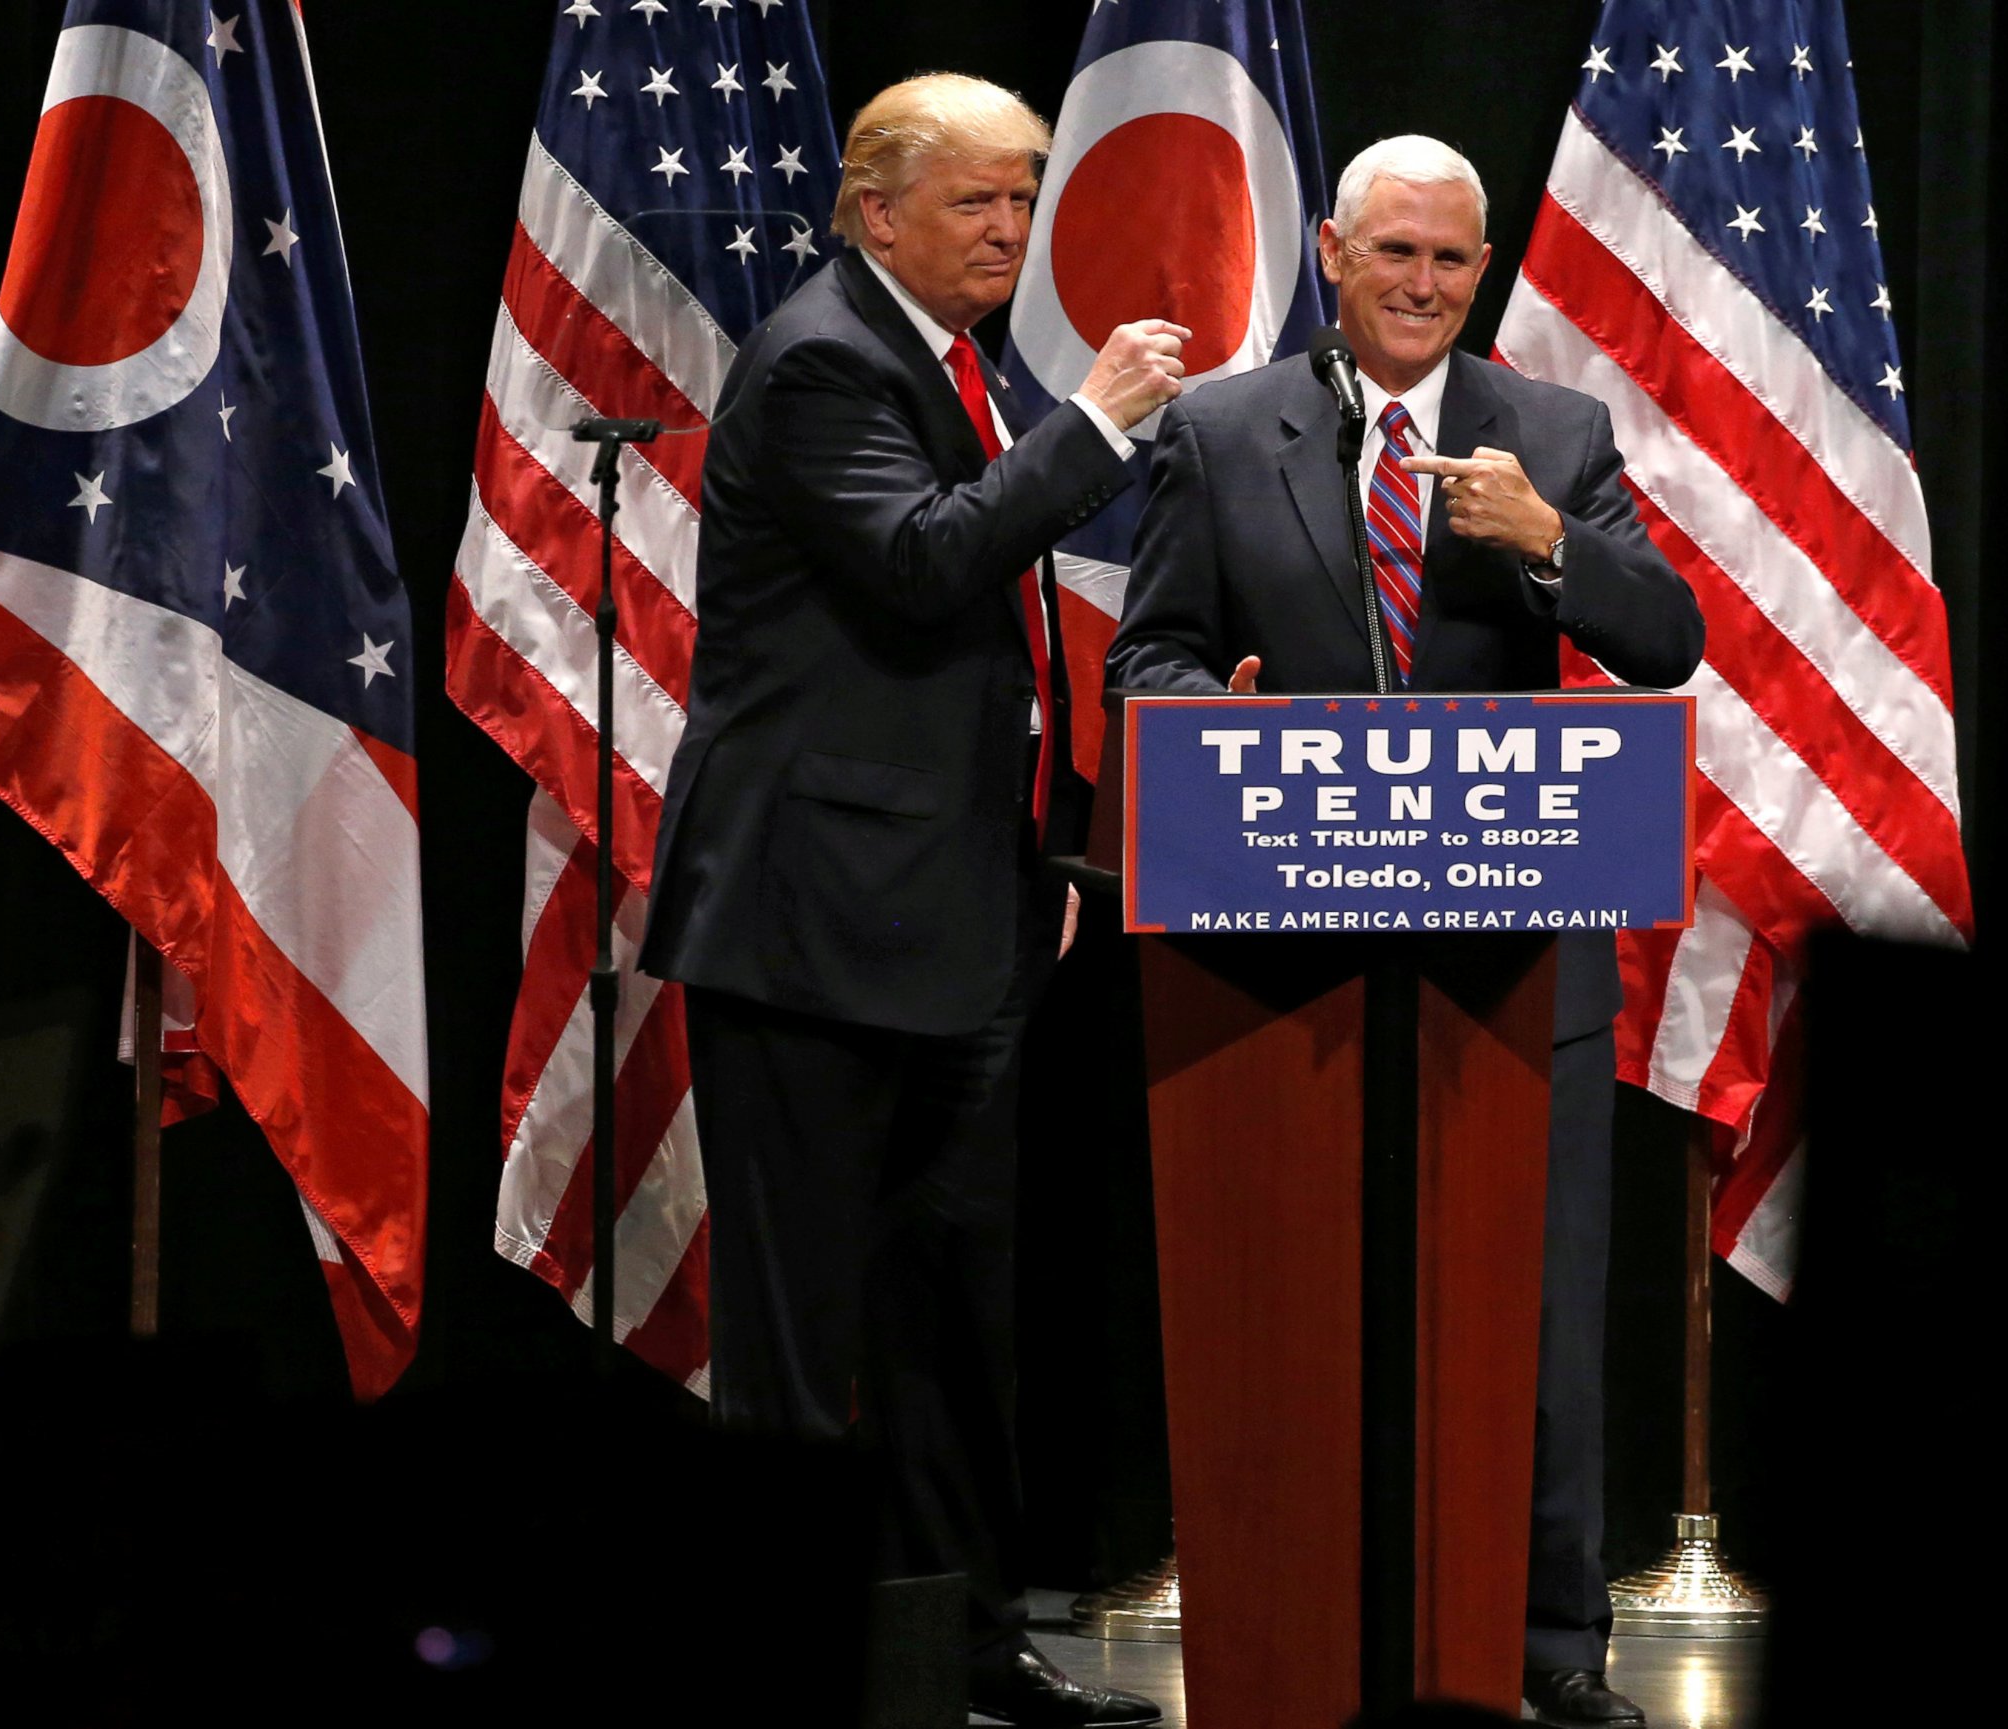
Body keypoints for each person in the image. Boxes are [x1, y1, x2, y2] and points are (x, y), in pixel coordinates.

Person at [1107, 135, 1704, 1729]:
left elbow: (1665, 642)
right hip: (1278, 965)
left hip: (1511, 971)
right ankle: (1301, 1619)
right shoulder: (1224, 432)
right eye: (1397, 256)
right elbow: (1148, 661)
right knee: (1292, 1310)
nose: (1426, 287)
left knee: (1538, 1319)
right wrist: (1207, 722)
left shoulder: (1552, 435)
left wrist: (1545, 544)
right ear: (1332, 252)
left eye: (1452, 261)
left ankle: (1550, 1644)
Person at [640, 74, 1181, 1728]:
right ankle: (793, 1670)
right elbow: (927, 561)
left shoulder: (936, 359)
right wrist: (1094, 426)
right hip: (810, 928)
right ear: (876, 212)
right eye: (977, 204)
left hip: (960, 920)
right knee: (805, 1347)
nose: (1012, 233)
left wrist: (1040, 849)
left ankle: (954, 1651)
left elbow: (974, 657)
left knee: (954, 1325)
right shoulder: (821, 358)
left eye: (1025, 201)